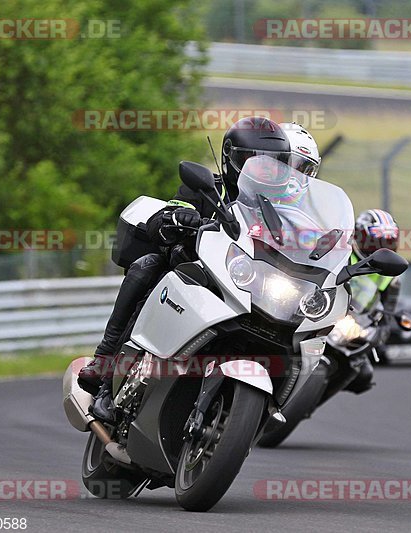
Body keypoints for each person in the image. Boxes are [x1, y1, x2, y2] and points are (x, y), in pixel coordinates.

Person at [78, 116, 300, 394]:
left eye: (274, 165)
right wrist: (176, 217)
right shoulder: (207, 187)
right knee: (148, 264)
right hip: (199, 275)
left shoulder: (286, 211)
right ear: (230, 157)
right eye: (254, 161)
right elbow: (168, 214)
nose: (265, 172)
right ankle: (106, 359)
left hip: (250, 288)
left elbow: (304, 246)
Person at [344, 208, 402, 393]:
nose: (381, 249)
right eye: (375, 242)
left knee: (363, 375)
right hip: (323, 314)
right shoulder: (342, 256)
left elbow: (388, 314)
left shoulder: (391, 276)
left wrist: (377, 336)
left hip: (352, 327)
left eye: (388, 242)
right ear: (359, 237)